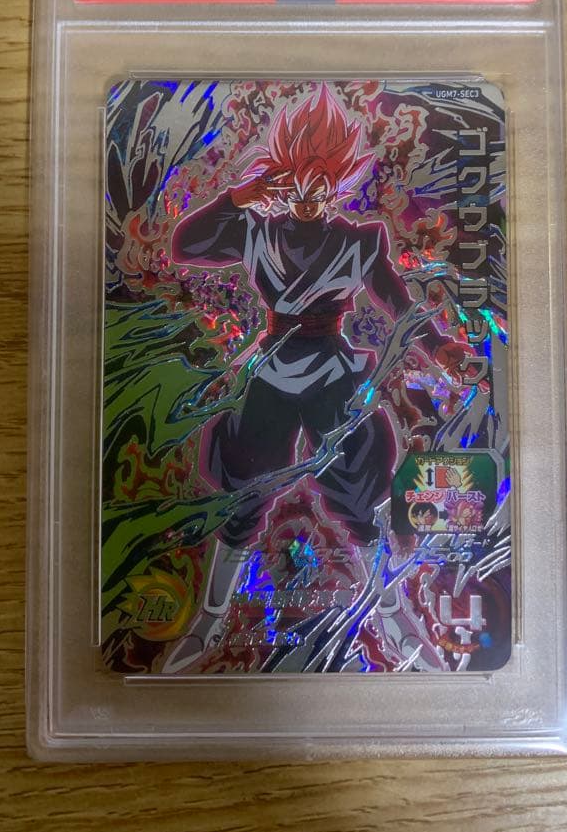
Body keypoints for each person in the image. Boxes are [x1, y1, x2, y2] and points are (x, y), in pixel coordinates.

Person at [171, 83, 468, 550]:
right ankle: (220, 586)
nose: (308, 195)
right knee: (245, 483)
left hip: (332, 368)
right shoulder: (256, 232)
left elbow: (397, 304)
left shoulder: (358, 242)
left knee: (356, 481)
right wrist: (236, 199)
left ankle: (380, 576)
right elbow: (183, 246)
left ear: (337, 182)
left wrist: (439, 347)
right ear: (281, 180)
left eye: (320, 182)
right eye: (297, 181)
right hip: (271, 366)